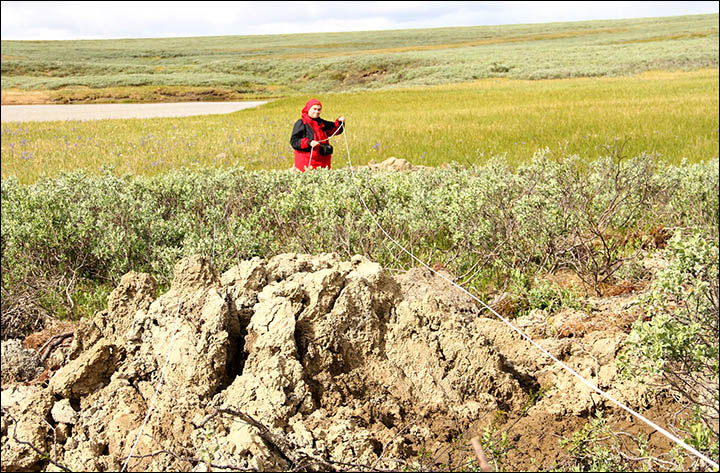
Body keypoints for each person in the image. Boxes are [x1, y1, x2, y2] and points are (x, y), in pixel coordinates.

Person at [290, 98, 345, 171]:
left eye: (319, 109)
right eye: (314, 109)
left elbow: (336, 130)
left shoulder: (322, 123)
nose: (316, 111)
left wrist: (340, 122)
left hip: (324, 162)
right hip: (307, 163)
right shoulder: (301, 123)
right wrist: (309, 142)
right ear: (308, 109)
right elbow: (294, 141)